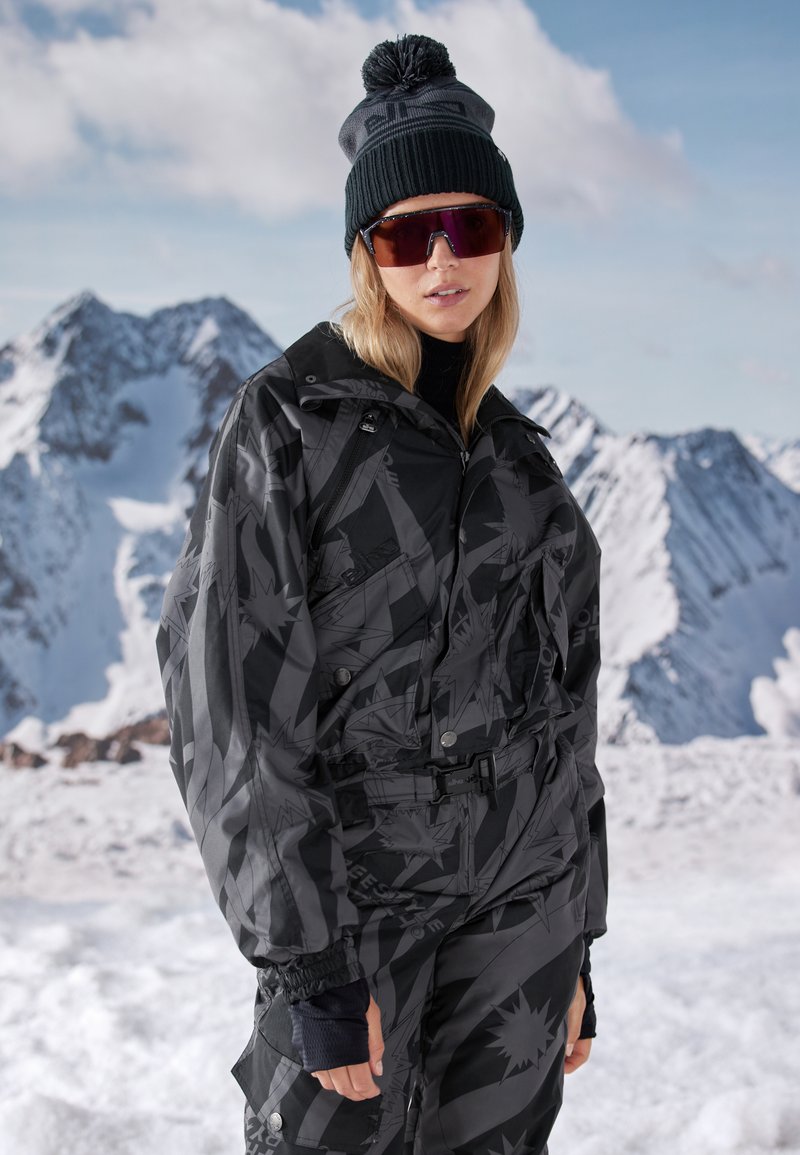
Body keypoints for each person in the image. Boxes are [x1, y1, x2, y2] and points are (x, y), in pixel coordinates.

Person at [156, 32, 607, 1155]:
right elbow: (235, 713)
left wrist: (576, 946)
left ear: (505, 242)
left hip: (521, 925)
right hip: (354, 923)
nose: (443, 259)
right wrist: (306, 961)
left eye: (472, 227)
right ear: (367, 252)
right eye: (409, 233)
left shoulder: (523, 463)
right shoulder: (290, 424)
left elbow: (566, 720)